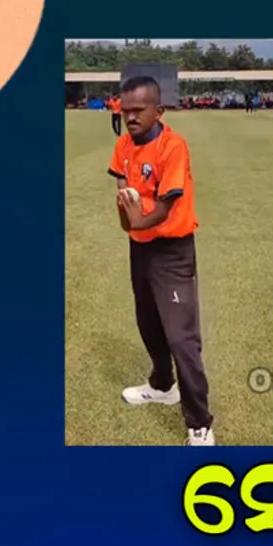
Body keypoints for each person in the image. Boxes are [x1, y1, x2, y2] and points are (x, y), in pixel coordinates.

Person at [108, 76, 214, 446]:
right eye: (126, 111)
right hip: (140, 248)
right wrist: (129, 222)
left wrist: (137, 220)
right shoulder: (122, 145)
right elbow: (124, 196)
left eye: (139, 111)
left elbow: (166, 207)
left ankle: (200, 423)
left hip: (172, 249)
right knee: (148, 322)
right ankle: (162, 384)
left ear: (159, 111)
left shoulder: (173, 146)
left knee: (182, 338)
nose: (131, 118)